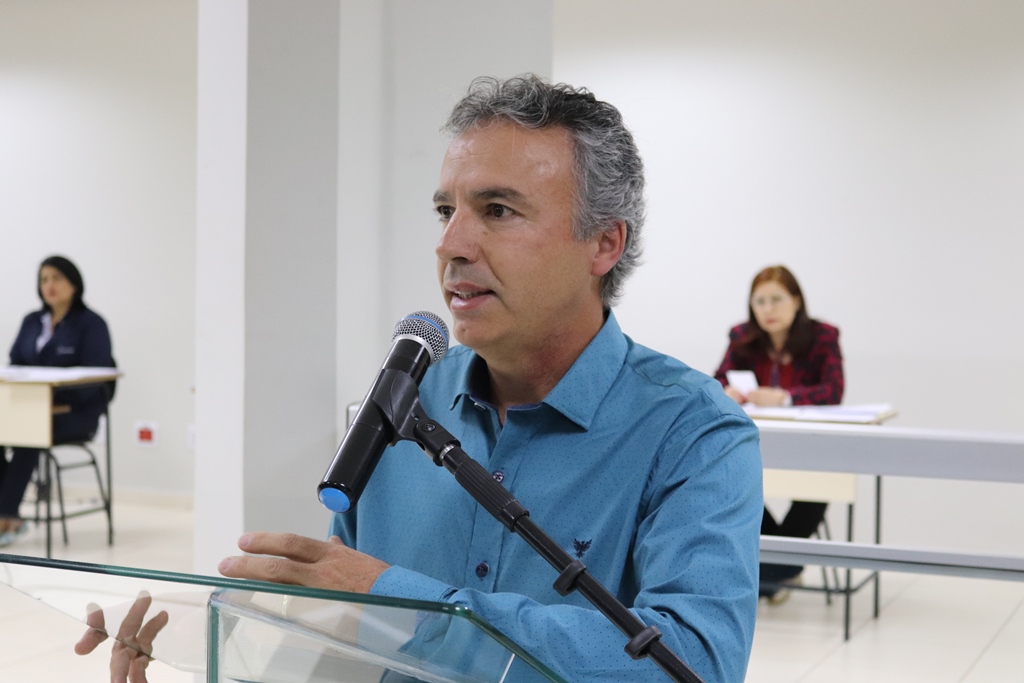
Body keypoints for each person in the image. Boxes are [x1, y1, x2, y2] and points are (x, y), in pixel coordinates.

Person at [79, 75, 762, 683]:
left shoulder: (694, 431)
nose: (450, 244)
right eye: (445, 211)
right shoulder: (405, 401)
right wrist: (214, 635)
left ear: (604, 243)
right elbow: (340, 631)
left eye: (497, 210)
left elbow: (695, 662)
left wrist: (403, 603)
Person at [713, 264, 844, 602]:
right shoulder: (742, 336)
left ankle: (775, 573)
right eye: (759, 302)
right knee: (737, 487)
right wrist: (727, 391)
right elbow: (716, 380)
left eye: (776, 300)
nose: (767, 310)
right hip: (755, 441)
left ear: (796, 301)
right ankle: (776, 573)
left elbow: (833, 391)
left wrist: (785, 398)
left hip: (810, 445)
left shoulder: (823, 336)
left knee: (818, 486)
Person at [0, 255, 115, 547]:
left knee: (27, 434)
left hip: (74, 414)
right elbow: (15, 365)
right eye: (44, 280)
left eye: (56, 278)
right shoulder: (31, 321)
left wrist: (52, 404)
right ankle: (5, 511)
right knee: (12, 429)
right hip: (29, 409)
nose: (49, 285)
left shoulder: (91, 324)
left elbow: (95, 379)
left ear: (73, 283)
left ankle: (7, 516)